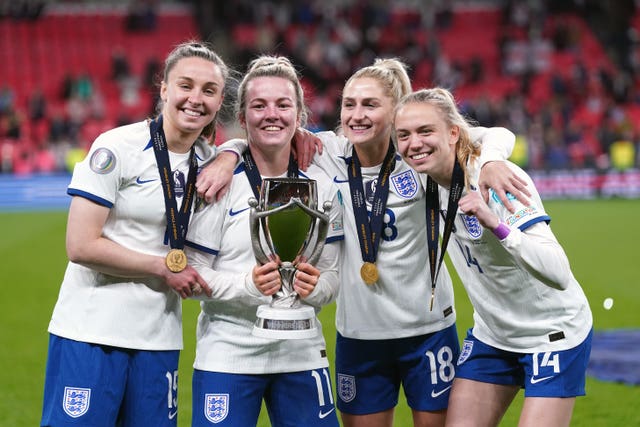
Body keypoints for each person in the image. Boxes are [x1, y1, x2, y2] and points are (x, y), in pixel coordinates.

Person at [197, 58, 528, 427]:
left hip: (428, 331)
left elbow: (494, 135)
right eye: (349, 104)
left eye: (370, 105)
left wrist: (491, 161)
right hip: (359, 334)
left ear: (396, 112)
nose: (357, 115)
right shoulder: (327, 155)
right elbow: (266, 133)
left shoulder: (417, 155)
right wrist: (230, 153)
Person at [40, 41, 230, 427]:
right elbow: (80, 245)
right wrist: (161, 268)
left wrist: (234, 152)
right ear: (163, 89)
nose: (196, 99)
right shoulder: (117, 146)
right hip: (90, 330)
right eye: (186, 85)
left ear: (220, 100)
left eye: (209, 91)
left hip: (159, 338)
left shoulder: (212, 163)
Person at [394, 87, 593, 427]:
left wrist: (496, 225)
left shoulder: (496, 182)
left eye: (425, 131)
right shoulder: (420, 174)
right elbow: (496, 134)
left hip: (552, 334)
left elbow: (559, 272)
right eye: (404, 135)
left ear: (454, 133)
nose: (414, 143)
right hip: (493, 336)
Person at [184, 56, 344, 427]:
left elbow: (332, 274)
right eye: (259, 105)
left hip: (302, 354)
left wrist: (317, 288)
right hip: (227, 355)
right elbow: (191, 274)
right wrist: (247, 286)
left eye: (283, 105)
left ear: (299, 114)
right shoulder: (218, 183)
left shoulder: (321, 183)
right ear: (242, 118)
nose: (271, 114)